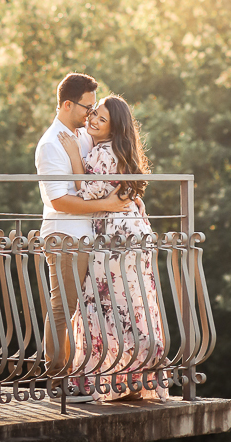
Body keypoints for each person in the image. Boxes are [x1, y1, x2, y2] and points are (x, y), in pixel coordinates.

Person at [58, 94, 168, 401]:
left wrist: (74, 156)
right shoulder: (119, 150)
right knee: (134, 301)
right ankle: (136, 373)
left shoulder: (103, 153)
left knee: (103, 301)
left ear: (114, 127)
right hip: (134, 232)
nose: (93, 120)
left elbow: (87, 192)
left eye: (101, 119)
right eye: (93, 114)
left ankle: (105, 378)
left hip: (115, 237)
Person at [36, 73, 133, 395]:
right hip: (65, 236)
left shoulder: (81, 137)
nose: (91, 115)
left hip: (87, 235)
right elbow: (59, 199)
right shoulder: (51, 144)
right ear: (67, 104)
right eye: (87, 107)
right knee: (63, 307)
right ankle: (57, 380)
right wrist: (106, 203)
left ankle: (82, 375)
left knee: (81, 308)